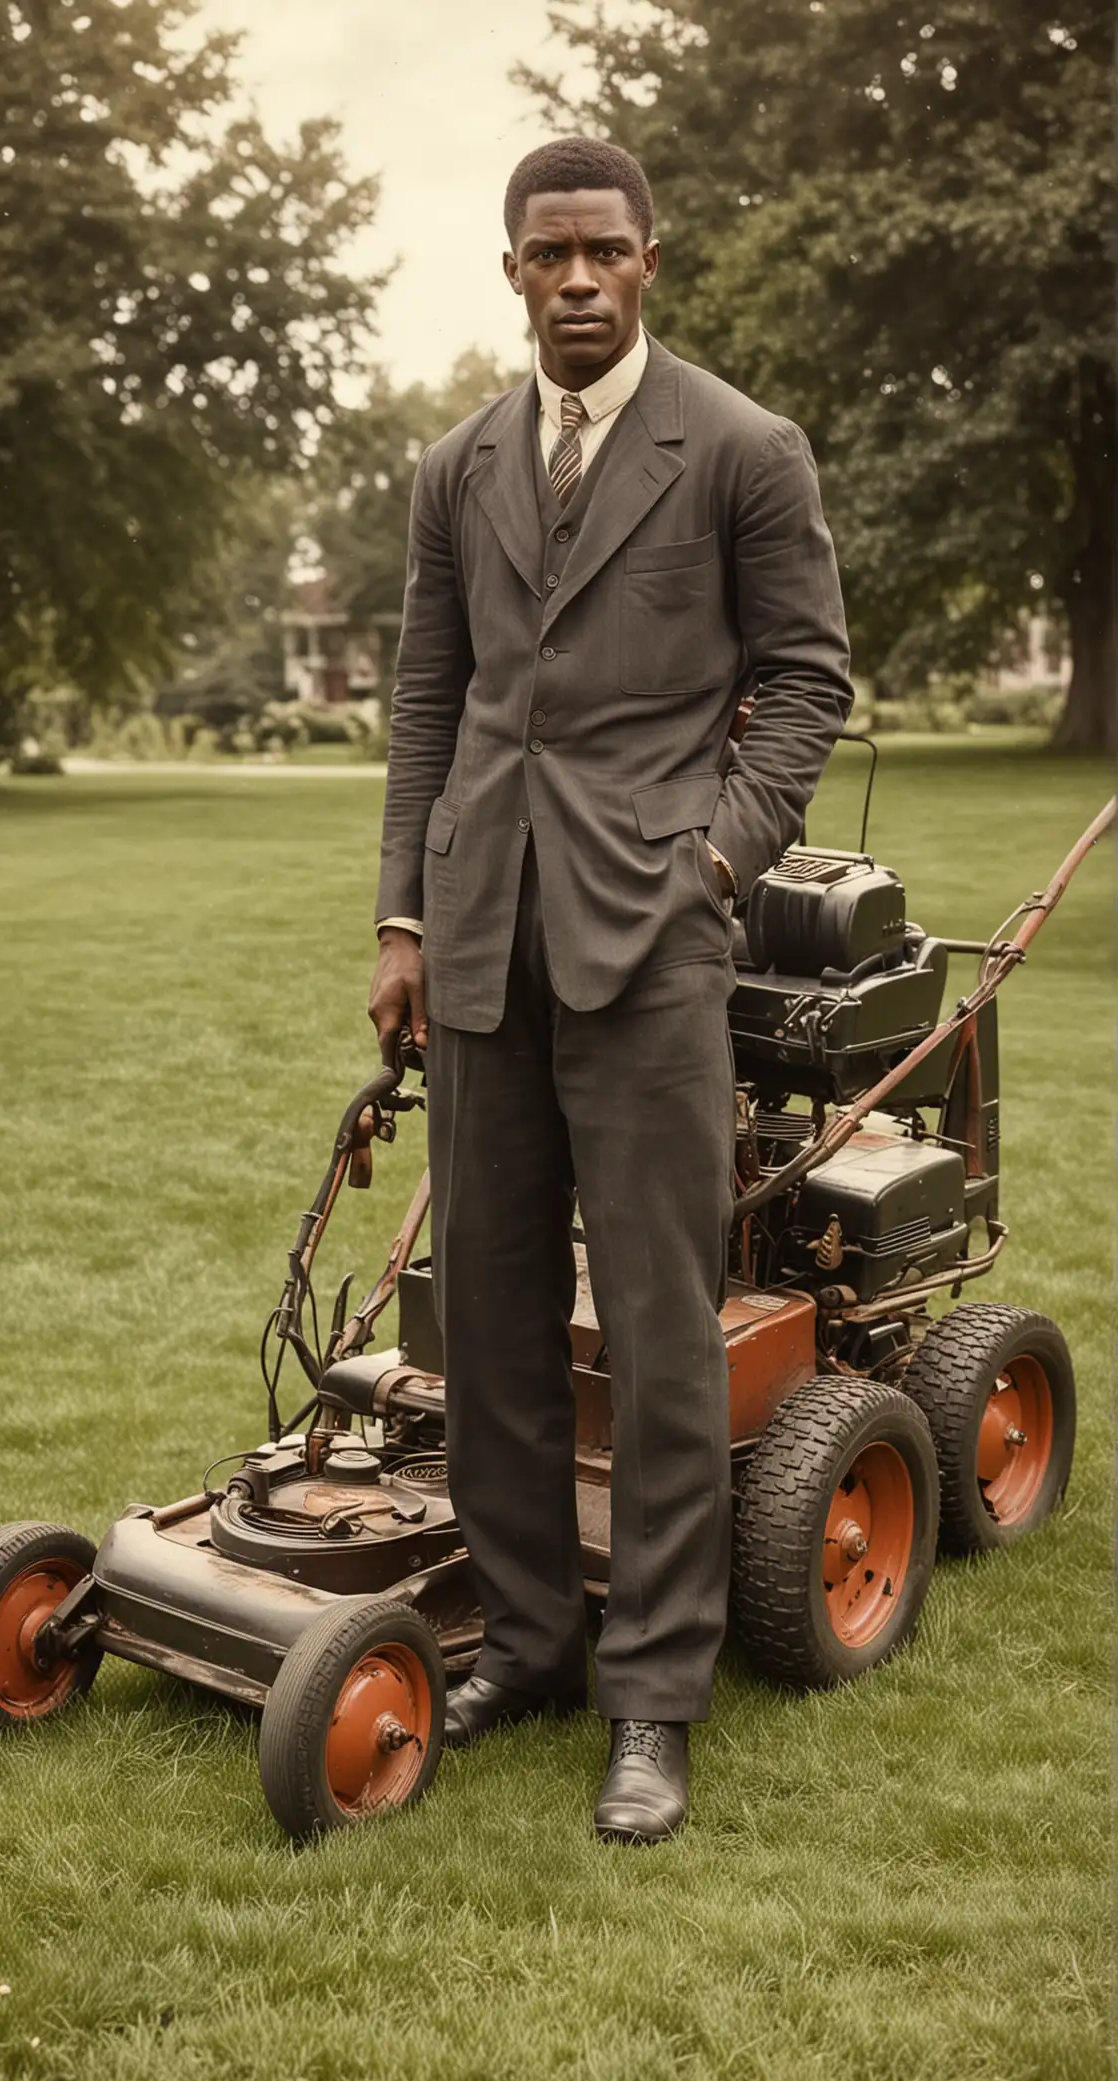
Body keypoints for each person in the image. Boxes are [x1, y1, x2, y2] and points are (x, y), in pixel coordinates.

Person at [368, 136, 852, 1843]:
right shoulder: (455, 469)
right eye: (545, 255)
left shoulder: (738, 449)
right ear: (510, 271)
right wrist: (403, 928)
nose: (575, 279)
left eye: (604, 253)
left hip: (654, 952)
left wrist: (713, 862)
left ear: (652, 262)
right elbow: (431, 708)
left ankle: (654, 1694)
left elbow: (804, 683)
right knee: (490, 1323)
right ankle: (532, 1638)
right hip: (483, 942)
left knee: (656, 1336)